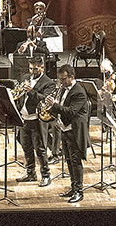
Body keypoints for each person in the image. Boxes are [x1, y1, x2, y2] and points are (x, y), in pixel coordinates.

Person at [53, 64, 91, 202]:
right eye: (59, 79)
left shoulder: (79, 92)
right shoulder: (64, 89)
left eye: (63, 79)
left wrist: (54, 106)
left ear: (71, 77)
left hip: (74, 131)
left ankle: (79, 192)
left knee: (76, 162)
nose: (61, 82)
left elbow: (71, 112)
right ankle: (73, 187)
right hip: (65, 129)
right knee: (69, 160)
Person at [17, 58, 53, 187]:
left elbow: (45, 99)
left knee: (40, 149)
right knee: (26, 147)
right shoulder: (26, 78)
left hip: (37, 120)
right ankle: (30, 173)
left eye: (35, 68)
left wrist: (31, 91)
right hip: (24, 119)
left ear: (42, 68)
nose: (32, 71)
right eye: (31, 68)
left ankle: (46, 175)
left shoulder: (48, 83)